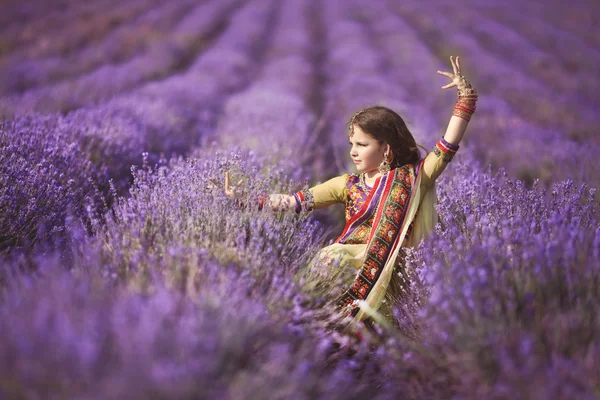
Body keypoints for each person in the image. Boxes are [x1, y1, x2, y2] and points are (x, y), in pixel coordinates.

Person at [221, 56, 478, 334]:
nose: (354, 151)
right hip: (347, 269)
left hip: (391, 272)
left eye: (362, 144)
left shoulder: (414, 178)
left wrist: (465, 97)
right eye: (351, 144)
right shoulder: (347, 184)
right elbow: (296, 202)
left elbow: (447, 146)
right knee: (332, 259)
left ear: (386, 148)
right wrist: (245, 198)